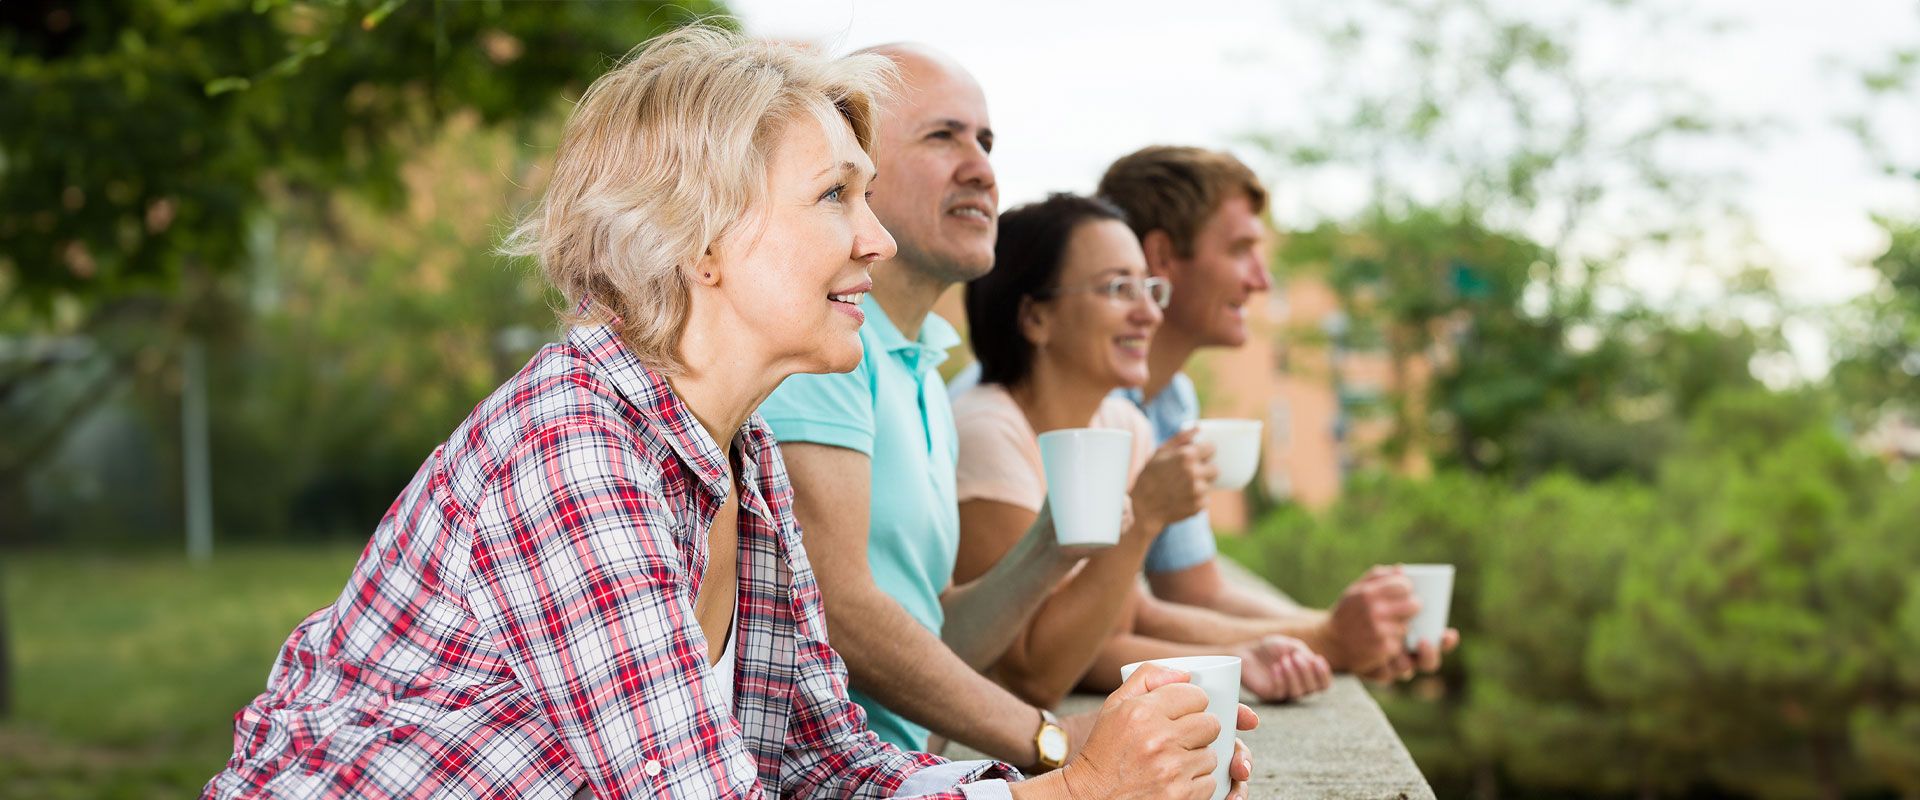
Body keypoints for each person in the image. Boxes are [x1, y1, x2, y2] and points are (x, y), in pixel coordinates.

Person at [202, 29, 1255, 800]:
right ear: (698, 239)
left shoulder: (736, 457)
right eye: (834, 197)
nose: (875, 240)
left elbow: (820, 756)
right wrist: (1072, 790)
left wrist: (1096, 762)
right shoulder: (575, 446)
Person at [758, 45, 1104, 769]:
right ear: (852, 170)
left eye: (986, 141)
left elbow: (929, 629)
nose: (982, 167)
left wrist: (1052, 545)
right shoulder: (821, 347)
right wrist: (1047, 738)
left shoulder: (921, 364)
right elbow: (839, 612)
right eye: (943, 136)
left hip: (904, 771)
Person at [1095, 146, 1461, 682]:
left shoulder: (1171, 400)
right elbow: (1109, 628)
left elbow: (1196, 590)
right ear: (1163, 258)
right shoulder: (1087, 403)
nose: (1261, 280)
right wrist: (1330, 639)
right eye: (1242, 249)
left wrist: (1363, 631)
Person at [950, 193, 1332, 707]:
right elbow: (1031, 675)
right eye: (1118, 288)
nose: (1150, 313)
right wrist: (1145, 516)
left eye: (1150, 288)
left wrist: (1242, 656)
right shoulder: (986, 431)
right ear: (1035, 317)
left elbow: (1115, 622)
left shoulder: (1120, 423)